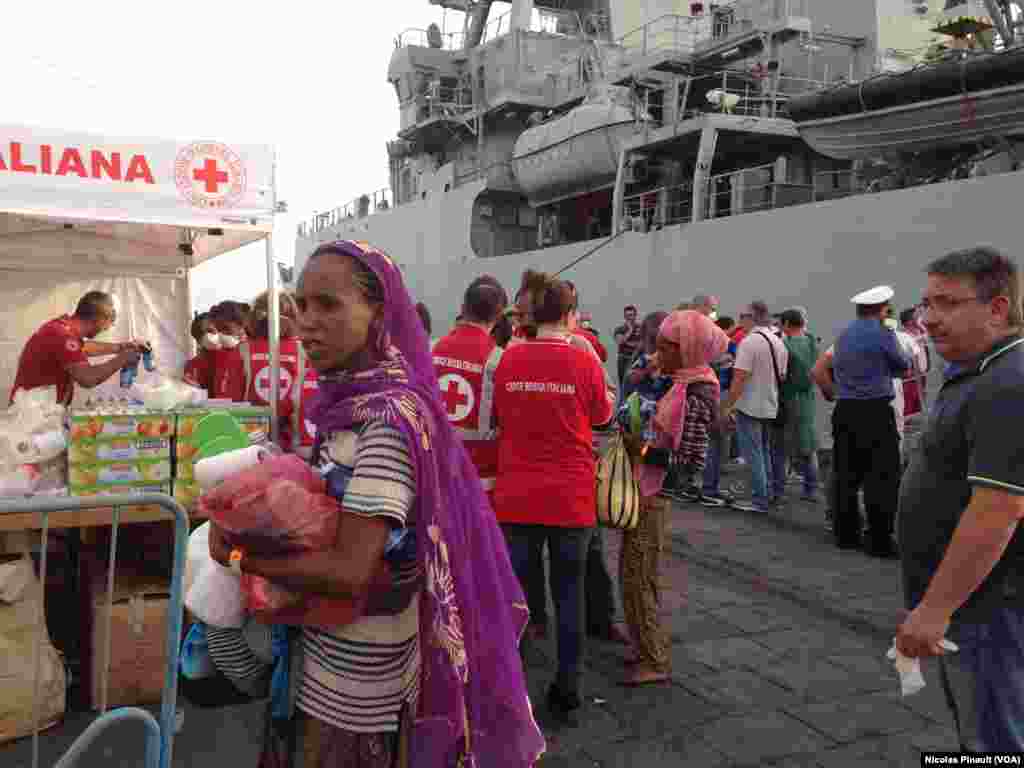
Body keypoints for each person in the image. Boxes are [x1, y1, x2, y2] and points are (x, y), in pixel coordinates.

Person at [208, 240, 544, 767]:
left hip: (356, 685)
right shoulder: (349, 402)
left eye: (329, 305)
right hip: (326, 652)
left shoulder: (383, 420)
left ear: (379, 314)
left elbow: (348, 571)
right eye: (301, 306)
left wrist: (235, 558)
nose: (307, 323)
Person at [895, 246, 1024, 753]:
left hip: (989, 606)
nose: (929, 319)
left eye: (948, 303)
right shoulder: (977, 368)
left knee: (995, 737)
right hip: (977, 603)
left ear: (997, 308)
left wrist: (934, 609)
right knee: (980, 728)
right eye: (927, 303)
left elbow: (999, 508)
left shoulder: (1007, 383)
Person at [493, 269, 615, 727]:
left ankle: (513, 687)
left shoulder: (508, 360)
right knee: (570, 597)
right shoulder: (584, 361)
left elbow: (501, 416)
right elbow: (603, 417)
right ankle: (568, 689)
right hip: (571, 499)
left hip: (517, 496)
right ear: (568, 316)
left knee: (520, 599)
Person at [621, 311, 727, 685]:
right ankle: (642, 644)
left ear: (688, 349)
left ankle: (654, 659)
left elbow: (687, 463)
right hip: (645, 488)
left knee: (640, 575)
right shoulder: (681, 382)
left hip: (655, 494)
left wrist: (640, 449)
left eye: (666, 347)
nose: (658, 352)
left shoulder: (697, 391)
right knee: (634, 575)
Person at [827, 285, 909, 557]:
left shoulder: (844, 334)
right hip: (875, 411)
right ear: (883, 308)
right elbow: (902, 365)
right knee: (882, 478)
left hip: (846, 409)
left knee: (845, 475)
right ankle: (879, 539)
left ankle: (846, 534)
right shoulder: (884, 333)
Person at [432, 275, 508, 499]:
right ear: (498, 316)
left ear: (463, 308)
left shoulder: (432, 349)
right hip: (481, 481)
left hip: (437, 471)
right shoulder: (499, 359)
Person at [10, 291, 143, 406]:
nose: (106, 328)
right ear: (99, 318)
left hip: (37, 410)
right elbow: (88, 378)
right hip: (31, 415)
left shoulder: (62, 328)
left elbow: (81, 349)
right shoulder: (63, 335)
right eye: (109, 323)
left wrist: (120, 347)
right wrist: (123, 358)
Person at [718, 300, 788, 513]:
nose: (740, 321)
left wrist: (726, 407)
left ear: (751, 317)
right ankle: (766, 494)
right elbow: (783, 376)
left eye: (742, 316)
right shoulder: (778, 342)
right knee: (764, 451)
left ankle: (759, 500)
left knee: (754, 454)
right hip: (770, 404)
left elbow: (739, 379)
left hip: (749, 406)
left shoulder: (749, 343)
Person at [217, 292, 305, 450]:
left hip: (251, 440)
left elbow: (232, 402)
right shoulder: (304, 352)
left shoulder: (243, 350)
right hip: (294, 442)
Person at [778, 309, 820, 502]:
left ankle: (778, 487)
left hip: (790, 398)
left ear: (786, 324)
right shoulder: (812, 342)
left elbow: (782, 376)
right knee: (809, 446)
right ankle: (810, 489)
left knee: (783, 445)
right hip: (809, 399)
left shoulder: (785, 345)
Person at [183, 313, 219, 393]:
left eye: (218, 328)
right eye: (210, 331)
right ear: (199, 341)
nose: (216, 332)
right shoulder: (193, 365)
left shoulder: (236, 356)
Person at [614, 305, 643, 389]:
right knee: (624, 385)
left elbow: (643, 343)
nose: (629, 318)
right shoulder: (619, 329)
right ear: (624, 317)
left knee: (638, 386)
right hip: (624, 360)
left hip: (637, 360)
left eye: (631, 315)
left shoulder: (641, 328)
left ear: (635, 315)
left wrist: (629, 343)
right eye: (627, 316)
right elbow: (620, 341)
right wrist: (630, 330)